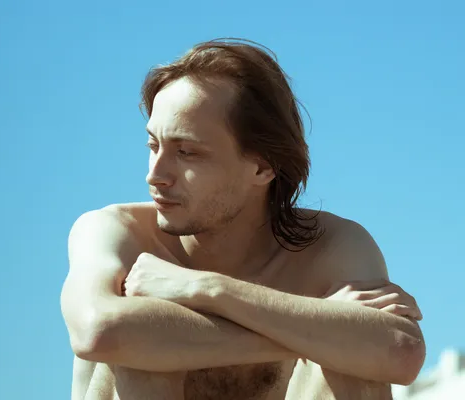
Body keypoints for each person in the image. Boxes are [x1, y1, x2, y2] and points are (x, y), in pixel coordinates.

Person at [60, 38, 426, 399]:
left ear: (263, 166)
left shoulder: (331, 246)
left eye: (187, 152)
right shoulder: (115, 231)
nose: (155, 175)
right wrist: (319, 328)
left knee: (354, 366)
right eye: (154, 146)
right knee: (139, 345)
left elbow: (401, 352)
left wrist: (207, 289)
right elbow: (98, 331)